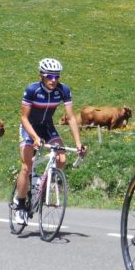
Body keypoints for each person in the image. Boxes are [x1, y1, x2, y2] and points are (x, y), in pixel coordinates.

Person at [11, 58, 83, 224]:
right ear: (42, 76)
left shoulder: (63, 90)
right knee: (26, 167)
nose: (53, 80)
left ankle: (44, 184)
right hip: (29, 127)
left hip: (47, 126)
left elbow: (71, 118)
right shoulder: (32, 90)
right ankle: (20, 204)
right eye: (50, 76)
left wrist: (78, 143)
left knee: (62, 158)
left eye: (57, 76)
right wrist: (35, 138)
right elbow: (23, 117)